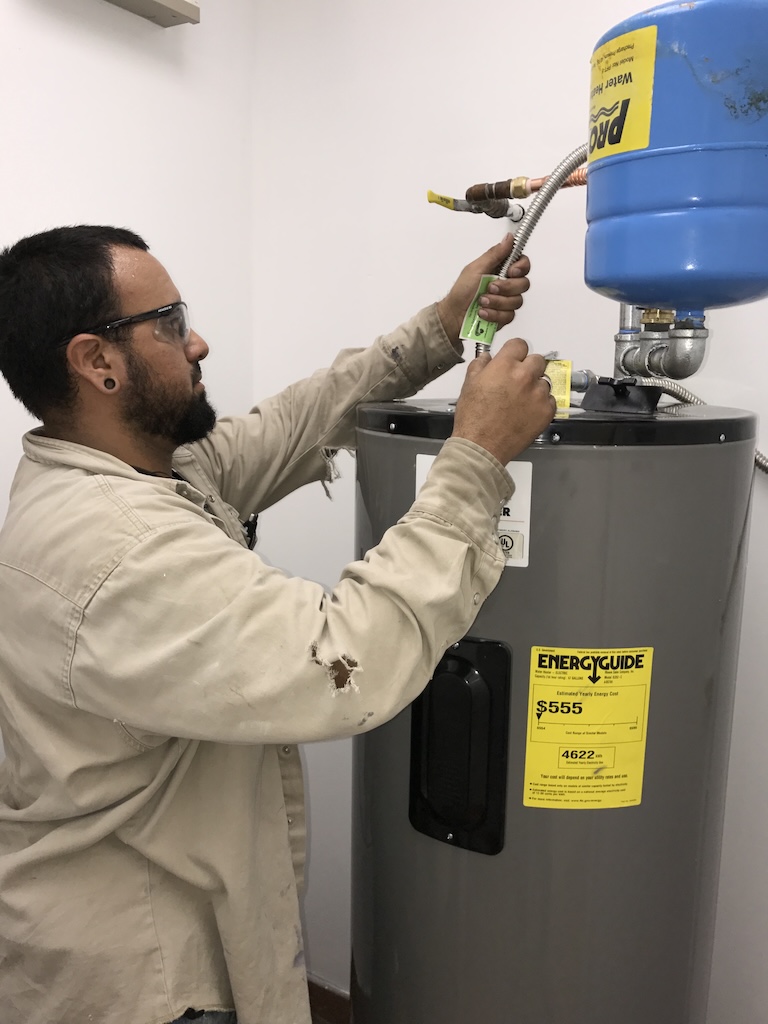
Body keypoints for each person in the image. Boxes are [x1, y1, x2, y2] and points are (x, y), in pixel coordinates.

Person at [0, 225, 555, 1024]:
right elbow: (349, 662)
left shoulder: (142, 468)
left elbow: (298, 421)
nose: (198, 342)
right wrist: (473, 460)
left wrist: (443, 325)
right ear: (97, 362)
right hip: (144, 981)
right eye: (168, 321)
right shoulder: (116, 548)